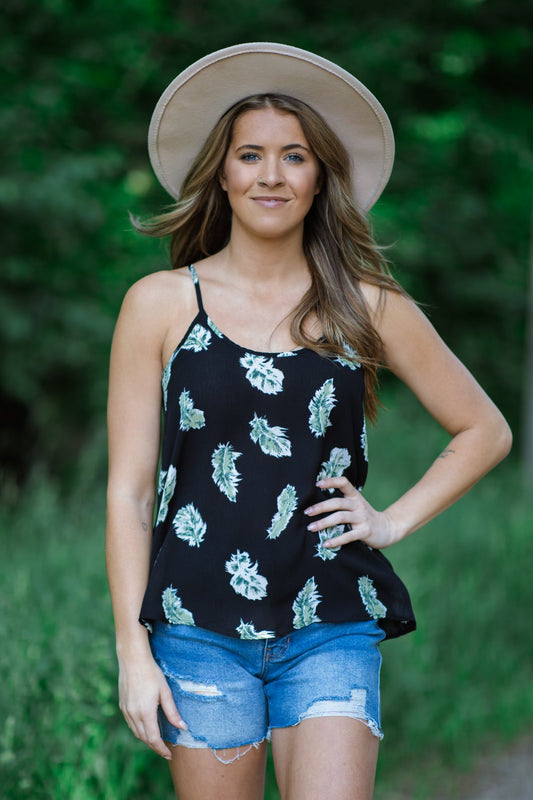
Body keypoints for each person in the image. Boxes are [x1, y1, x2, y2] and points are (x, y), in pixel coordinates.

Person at [105, 43, 512, 800]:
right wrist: (133, 649)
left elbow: (484, 430)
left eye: (293, 156)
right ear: (220, 172)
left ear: (319, 175)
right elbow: (128, 493)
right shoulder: (157, 304)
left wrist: (389, 521)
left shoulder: (366, 304)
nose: (269, 175)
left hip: (330, 620)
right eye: (249, 154)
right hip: (195, 631)